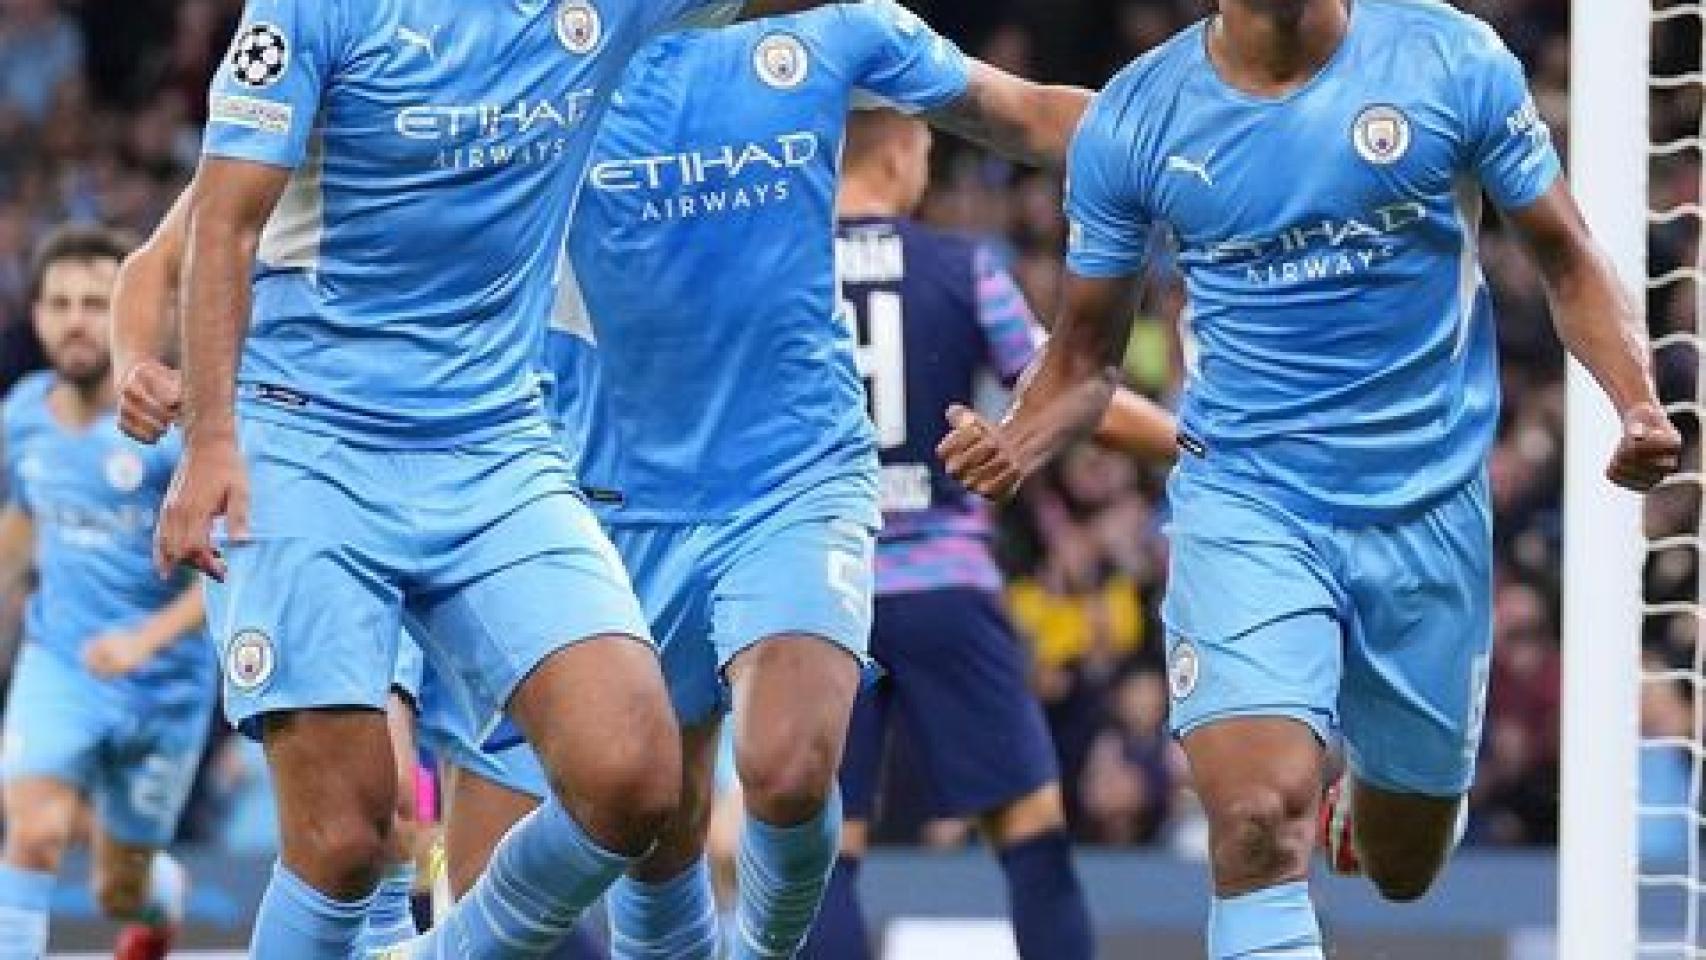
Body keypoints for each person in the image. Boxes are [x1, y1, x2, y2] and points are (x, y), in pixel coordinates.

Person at [939, 0, 1682, 956]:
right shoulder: (1139, 117)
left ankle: (1375, 793)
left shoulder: (1447, 60)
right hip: (1247, 500)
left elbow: (1568, 258)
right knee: (1253, 823)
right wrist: (1021, 437)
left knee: (1404, 864)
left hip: (1425, 509)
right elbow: (1085, 359)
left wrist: (1636, 399)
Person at [154, 0, 847, 955]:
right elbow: (221, 226)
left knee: (634, 776)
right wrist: (212, 442)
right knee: (348, 837)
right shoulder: (313, 9)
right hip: (309, 441)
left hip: (494, 445)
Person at [800, 109, 1177, 960]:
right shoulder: (962, 267)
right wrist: (1196, 445)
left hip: (828, 592)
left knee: (826, 853)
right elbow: (1067, 393)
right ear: (899, 153)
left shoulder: (788, 276)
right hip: (947, 589)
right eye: (927, 151)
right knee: (1031, 834)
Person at [0, 227, 213, 960]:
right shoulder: (22, 413)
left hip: (165, 687)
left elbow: (229, 577)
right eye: (59, 302)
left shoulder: (178, 430)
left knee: (117, 891)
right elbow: (24, 521)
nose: (77, 319)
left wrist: (141, 642)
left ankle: (161, 900)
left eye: (96, 301)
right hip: (58, 664)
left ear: (134, 311)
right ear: (36, 314)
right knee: (33, 833)